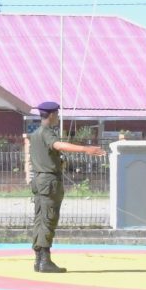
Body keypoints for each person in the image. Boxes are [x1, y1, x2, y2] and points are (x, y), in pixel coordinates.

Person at [24, 102, 100, 274]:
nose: (57, 117)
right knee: (48, 219)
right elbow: (57, 145)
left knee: (40, 219)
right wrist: (85, 149)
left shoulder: (35, 134)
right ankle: (44, 261)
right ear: (51, 115)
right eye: (56, 114)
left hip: (40, 180)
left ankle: (39, 260)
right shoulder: (47, 133)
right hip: (49, 181)